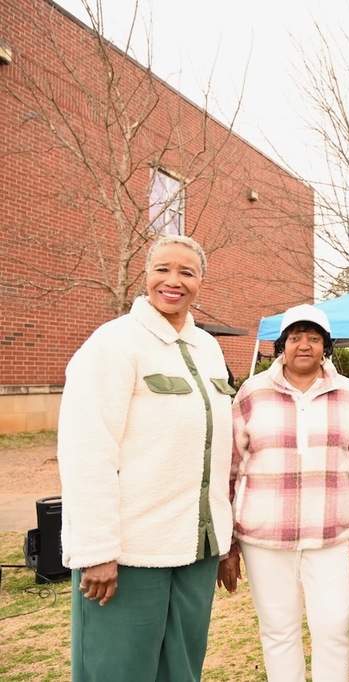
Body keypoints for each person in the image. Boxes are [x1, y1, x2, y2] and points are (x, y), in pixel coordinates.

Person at [57, 234, 235, 681]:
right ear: (146, 273)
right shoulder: (113, 342)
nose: (173, 281)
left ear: (200, 281)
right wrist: (97, 549)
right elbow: (86, 450)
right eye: (162, 269)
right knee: (119, 671)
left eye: (186, 272)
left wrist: (222, 540)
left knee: (182, 671)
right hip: (130, 552)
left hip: (196, 550)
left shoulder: (209, 349)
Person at [218, 304, 349, 681]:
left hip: (332, 539)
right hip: (265, 540)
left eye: (313, 338)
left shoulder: (348, 394)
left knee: (334, 631)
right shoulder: (253, 393)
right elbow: (229, 469)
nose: (304, 345)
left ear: (326, 346)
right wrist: (227, 544)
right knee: (278, 633)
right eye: (295, 337)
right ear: (282, 345)